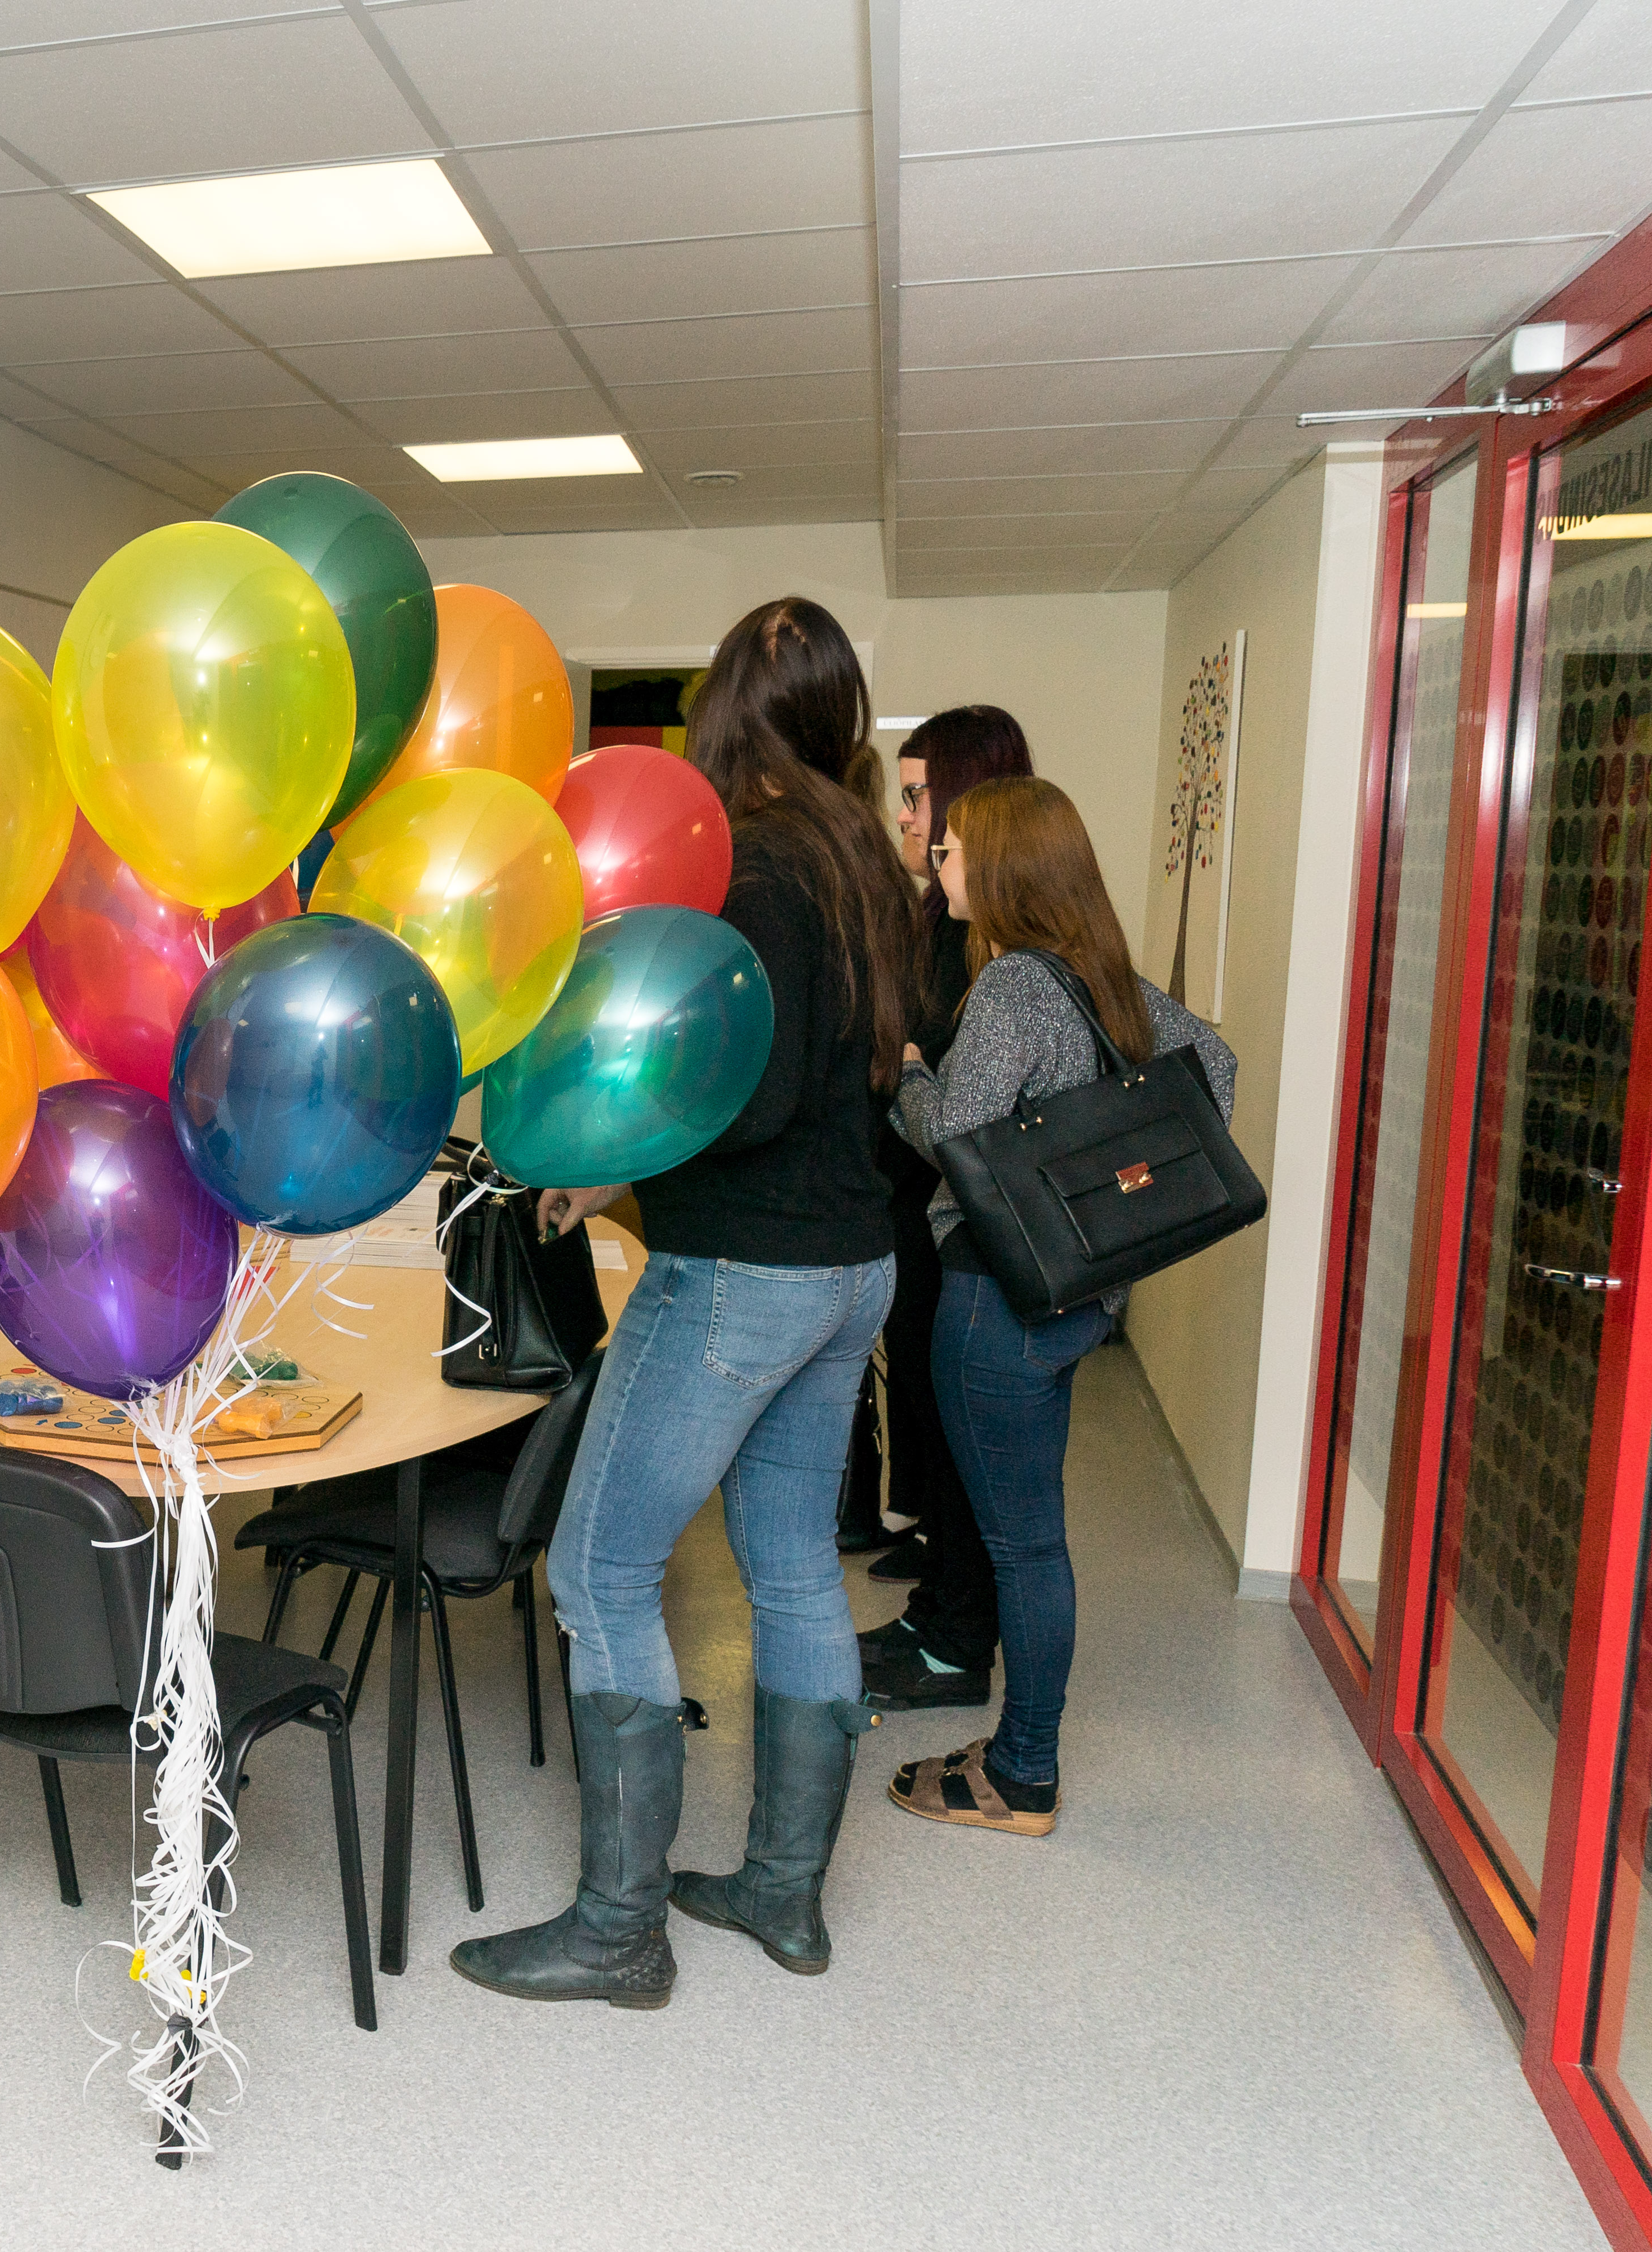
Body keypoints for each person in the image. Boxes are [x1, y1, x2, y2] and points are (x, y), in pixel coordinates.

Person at [453, 596, 914, 2005]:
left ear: (721, 713)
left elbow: (747, 1099)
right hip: (851, 1269)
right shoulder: (865, 860)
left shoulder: (757, 867)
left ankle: (618, 1927)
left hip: (743, 1276)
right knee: (794, 1565)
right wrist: (615, 1175)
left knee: (599, 1568)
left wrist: (617, 1145)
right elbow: (821, 1089)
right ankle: (783, 1890)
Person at [884, 778, 1236, 1837]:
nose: (938, 862)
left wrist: (908, 1077)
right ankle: (1020, 1757)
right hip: (1080, 1295)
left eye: (951, 849)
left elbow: (958, 1134)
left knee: (1025, 1549)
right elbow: (1215, 1066)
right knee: (1032, 1538)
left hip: (997, 1302)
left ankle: (1022, 1774)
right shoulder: (1104, 977)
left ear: (1001, 868)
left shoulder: (1008, 988)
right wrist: (1114, 1171)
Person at [855, 709, 1036, 1719]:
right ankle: (937, 1610)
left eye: (920, 796)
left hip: (959, 1236)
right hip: (915, 1222)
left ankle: (959, 1643)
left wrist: (910, 1071)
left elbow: (958, 1120)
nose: (907, 816)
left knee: (961, 1442)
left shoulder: (999, 962)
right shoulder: (941, 927)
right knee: (931, 1426)